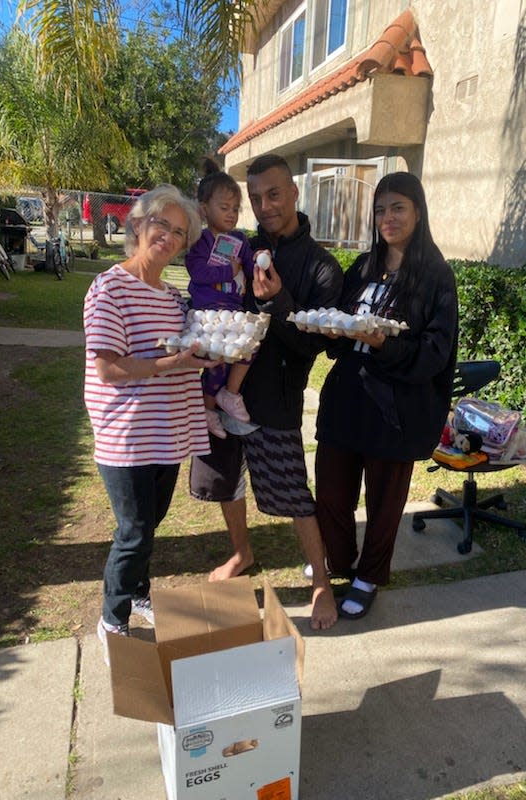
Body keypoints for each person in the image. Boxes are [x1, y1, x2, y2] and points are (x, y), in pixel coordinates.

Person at [190, 154, 343, 630]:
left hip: (274, 396)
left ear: (295, 191)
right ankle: (242, 553)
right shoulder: (242, 244)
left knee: (293, 493)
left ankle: (320, 583)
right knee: (225, 483)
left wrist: (276, 300)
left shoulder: (322, 267)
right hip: (220, 388)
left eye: (273, 194)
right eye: (254, 198)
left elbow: (311, 345)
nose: (263, 205)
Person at [315, 171, 459, 620]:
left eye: (398, 207)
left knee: (384, 500)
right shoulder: (363, 266)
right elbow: (340, 331)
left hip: (395, 408)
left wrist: (384, 344)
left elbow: (435, 352)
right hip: (346, 400)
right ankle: (339, 562)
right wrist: (332, 330)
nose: (387, 218)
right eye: (380, 209)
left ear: (418, 211)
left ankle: (370, 574)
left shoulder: (436, 276)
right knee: (332, 491)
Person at [84, 184, 217, 664]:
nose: (169, 236)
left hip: (167, 433)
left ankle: (139, 594)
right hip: (127, 436)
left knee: (150, 524)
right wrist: (171, 365)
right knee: (134, 530)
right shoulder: (109, 287)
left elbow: (189, 348)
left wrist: (210, 353)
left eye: (180, 233)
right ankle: (112, 616)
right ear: (137, 225)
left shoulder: (174, 297)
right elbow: (109, 368)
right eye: (162, 224)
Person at [186, 160, 255, 440]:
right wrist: (229, 270)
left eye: (235, 209)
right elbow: (198, 272)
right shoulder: (199, 241)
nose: (231, 215)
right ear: (204, 209)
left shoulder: (239, 239)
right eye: (224, 208)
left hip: (233, 311)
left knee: (250, 345)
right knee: (216, 362)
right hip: (207, 314)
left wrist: (259, 268)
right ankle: (207, 410)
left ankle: (230, 393)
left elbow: (250, 264)